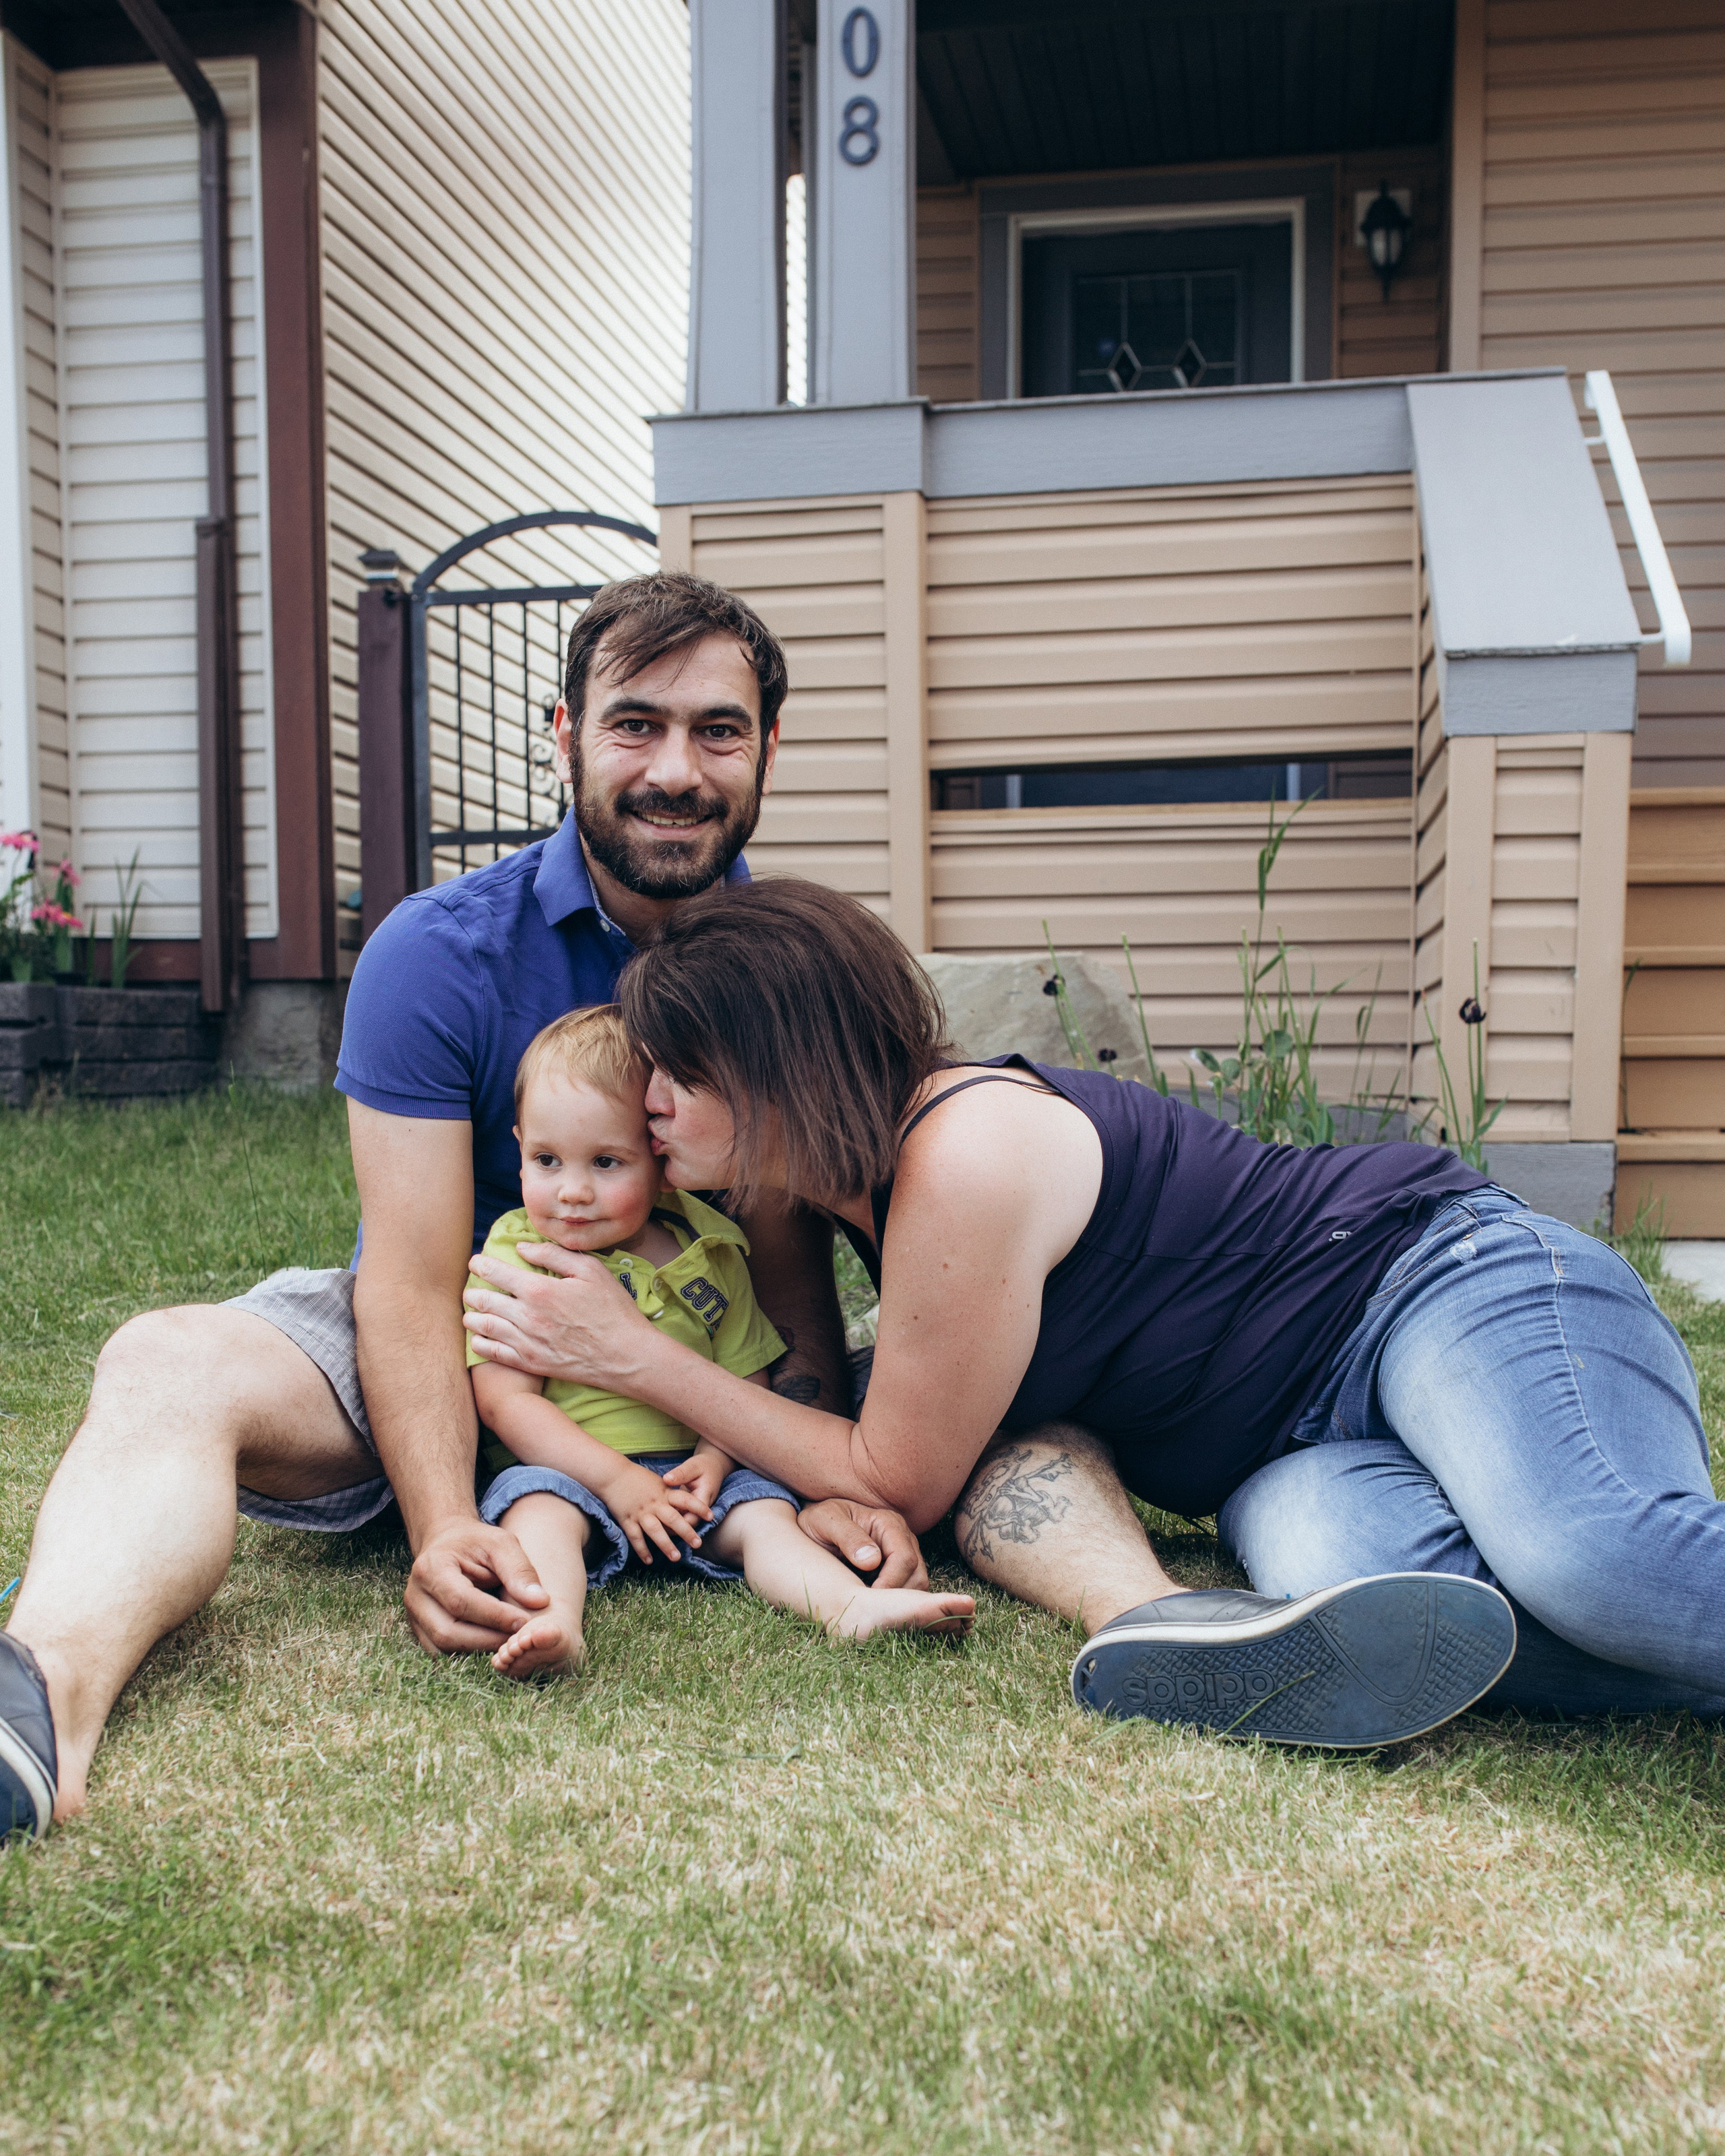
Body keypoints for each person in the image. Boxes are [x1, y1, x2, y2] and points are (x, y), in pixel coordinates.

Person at [0, 575, 920, 1841]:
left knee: (992, 1387)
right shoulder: (436, 952)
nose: (676, 769)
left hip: (693, 1358)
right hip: (457, 1341)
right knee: (166, 1361)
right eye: (635, 724)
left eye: (717, 729)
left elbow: (787, 1273)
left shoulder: (791, 964)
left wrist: (802, 1461)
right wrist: (439, 1525)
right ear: (566, 735)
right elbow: (410, 1281)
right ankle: (36, 1700)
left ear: (768, 746)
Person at [461, 877, 1725, 1745]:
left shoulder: (963, 1152)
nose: (652, 1104)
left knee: (1587, 1559)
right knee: (1385, 1609)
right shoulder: (845, 1186)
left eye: (681, 1073)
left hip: (1425, 1284)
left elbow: (897, 1473)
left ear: (782, 1067)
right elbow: (892, 1424)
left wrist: (635, 1357)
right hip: (1283, 1458)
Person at [470, 1005, 974, 1673]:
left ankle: (848, 1607)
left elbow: (744, 1377)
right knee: (536, 1510)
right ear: (518, 1147)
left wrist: (714, 1460)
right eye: (546, 1160)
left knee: (766, 1515)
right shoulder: (518, 1256)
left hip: (690, 1482)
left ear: (658, 1159)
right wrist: (616, 1480)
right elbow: (506, 1403)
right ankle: (554, 1621)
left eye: (606, 1162)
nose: (572, 1191)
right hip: (570, 1470)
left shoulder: (709, 1249)